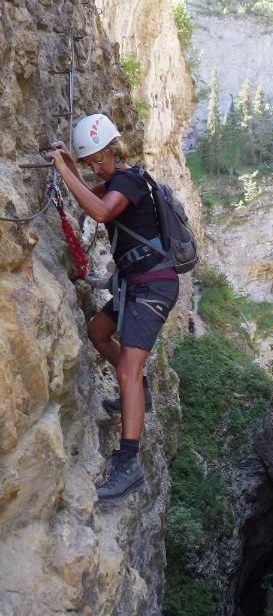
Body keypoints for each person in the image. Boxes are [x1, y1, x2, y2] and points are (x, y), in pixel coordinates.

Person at [45, 113, 179, 502]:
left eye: (97, 159)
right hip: (137, 286)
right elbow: (91, 193)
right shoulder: (118, 181)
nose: (94, 167)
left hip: (152, 287)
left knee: (127, 369)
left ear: (113, 150)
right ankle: (140, 392)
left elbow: (100, 211)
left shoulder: (131, 180)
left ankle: (128, 463)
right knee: (97, 333)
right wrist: (69, 165)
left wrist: (64, 170)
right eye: (90, 162)